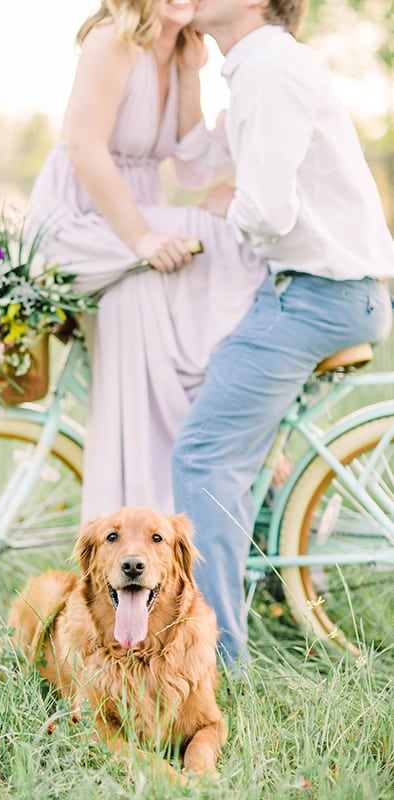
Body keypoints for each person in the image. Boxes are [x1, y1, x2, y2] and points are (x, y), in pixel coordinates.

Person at [171, 0, 394, 671]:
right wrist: (189, 65)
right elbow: (193, 164)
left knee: (203, 456)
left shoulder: (269, 71)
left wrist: (226, 206)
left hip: (315, 295)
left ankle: (217, 661)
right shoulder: (254, 70)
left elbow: (265, 211)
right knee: (237, 445)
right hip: (325, 290)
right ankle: (276, 589)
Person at [25, 0, 266, 521]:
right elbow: (84, 148)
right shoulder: (113, 38)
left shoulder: (185, 50)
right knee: (207, 243)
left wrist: (190, 73)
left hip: (140, 212)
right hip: (81, 218)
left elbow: (187, 167)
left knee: (220, 247)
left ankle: (227, 425)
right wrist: (140, 238)